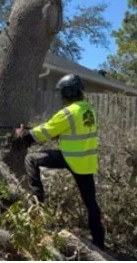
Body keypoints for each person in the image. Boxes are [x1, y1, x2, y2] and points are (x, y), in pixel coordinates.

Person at [14, 74, 105, 249]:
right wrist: (34, 131)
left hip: (69, 157)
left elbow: (46, 131)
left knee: (31, 159)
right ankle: (99, 241)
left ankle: (38, 202)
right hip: (86, 162)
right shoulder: (88, 110)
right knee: (91, 203)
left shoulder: (68, 113)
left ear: (67, 92)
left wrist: (24, 135)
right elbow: (64, 131)